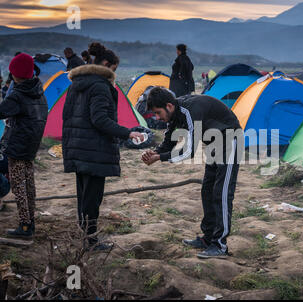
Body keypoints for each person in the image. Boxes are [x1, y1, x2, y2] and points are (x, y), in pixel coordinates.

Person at [62, 42, 145, 251]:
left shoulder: (76, 83)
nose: (113, 75)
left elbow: (67, 115)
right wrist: (127, 132)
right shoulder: (99, 85)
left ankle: (85, 235)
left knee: (83, 194)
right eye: (114, 70)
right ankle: (90, 241)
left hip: (78, 146)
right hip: (94, 149)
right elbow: (99, 119)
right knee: (92, 197)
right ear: (107, 64)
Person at [142, 87, 241, 259]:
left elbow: (190, 151)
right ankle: (208, 239)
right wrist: (154, 152)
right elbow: (168, 142)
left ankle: (220, 245)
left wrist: (160, 158)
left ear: (168, 106)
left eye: (158, 113)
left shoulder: (189, 111)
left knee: (222, 193)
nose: (157, 118)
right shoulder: (175, 114)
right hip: (213, 144)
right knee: (207, 191)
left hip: (230, 139)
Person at [0, 53, 48, 239]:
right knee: (29, 186)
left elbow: (1, 112)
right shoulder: (38, 92)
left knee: (19, 187)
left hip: (17, 147)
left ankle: (25, 227)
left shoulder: (19, 95)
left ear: (14, 74)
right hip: (31, 147)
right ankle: (30, 222)